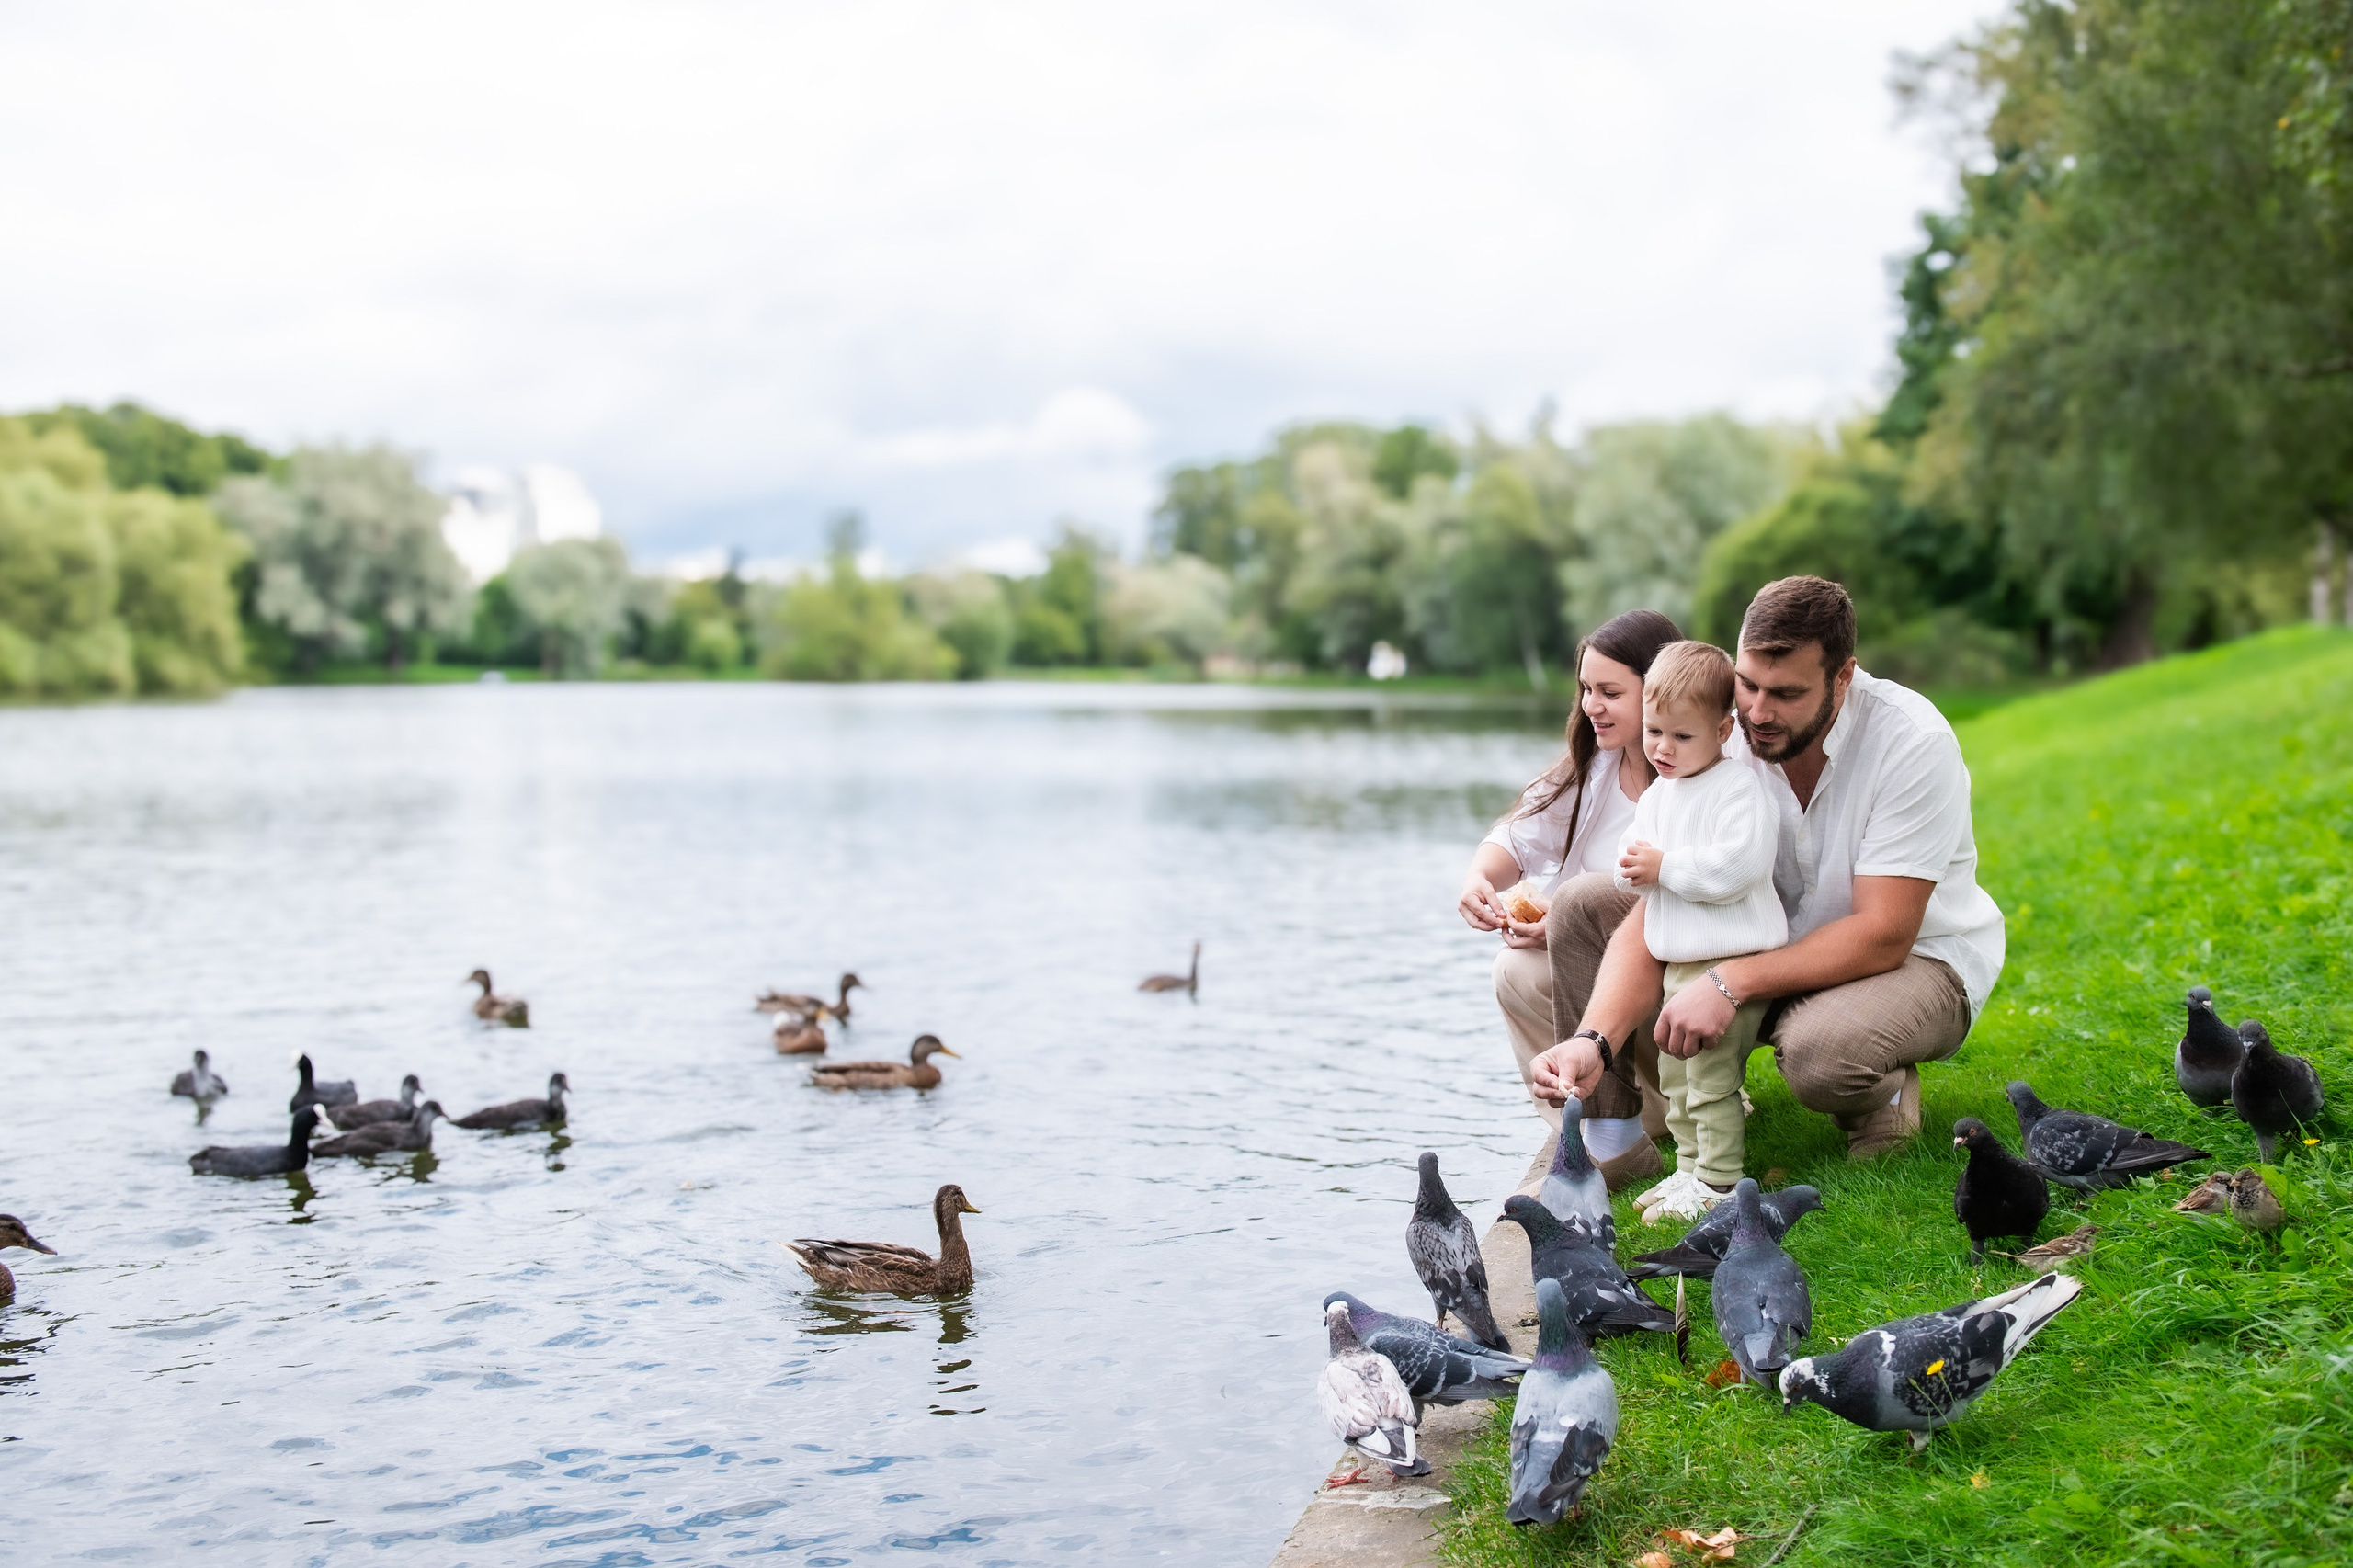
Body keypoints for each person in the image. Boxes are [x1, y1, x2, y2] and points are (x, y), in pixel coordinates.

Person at [1529, 576, 2006, 1162]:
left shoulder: (1911, 741)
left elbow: (1884, 934)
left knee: (1821, 1055)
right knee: (1582, 904)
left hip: (1912, 960)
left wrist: (1727, 985)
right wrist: (1594, 1042)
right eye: (1748, 684)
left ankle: (1879, 1096)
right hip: (1763, 933)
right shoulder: (1729, 730)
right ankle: (1612, 1147)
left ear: (1843, 677)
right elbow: (1661, 908)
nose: (1757, 712)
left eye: (1785, 694)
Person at [1457, 608, 1680, 1187]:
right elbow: (1518, 833)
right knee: (1517, 970)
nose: (1590, 706)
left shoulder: (1698, 776)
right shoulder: (1596, 766)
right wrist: (1479, 878)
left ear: (1659, 692)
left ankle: (1658, 1113)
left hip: (1680, 964)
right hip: (1599, 968)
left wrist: (1567, 917)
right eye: (1585, 689)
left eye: (1610, 692)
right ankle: (1587, 1128)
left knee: (1576, 919)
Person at [1608, 641, 1784, 1221]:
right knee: (1675, 1075)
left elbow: (1739, 867)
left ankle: (1722, 1180)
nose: (1662, 747)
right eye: (1654, 731)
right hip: (1678, 964)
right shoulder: (1660, 793)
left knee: (1709, 1076)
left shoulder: (1737, 790)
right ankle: (1688, 1169)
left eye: (1682, 736)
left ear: (1724, 729)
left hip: (1732, 963)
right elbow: (1633, 859)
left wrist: (1666, 868)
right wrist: (1631, 867)